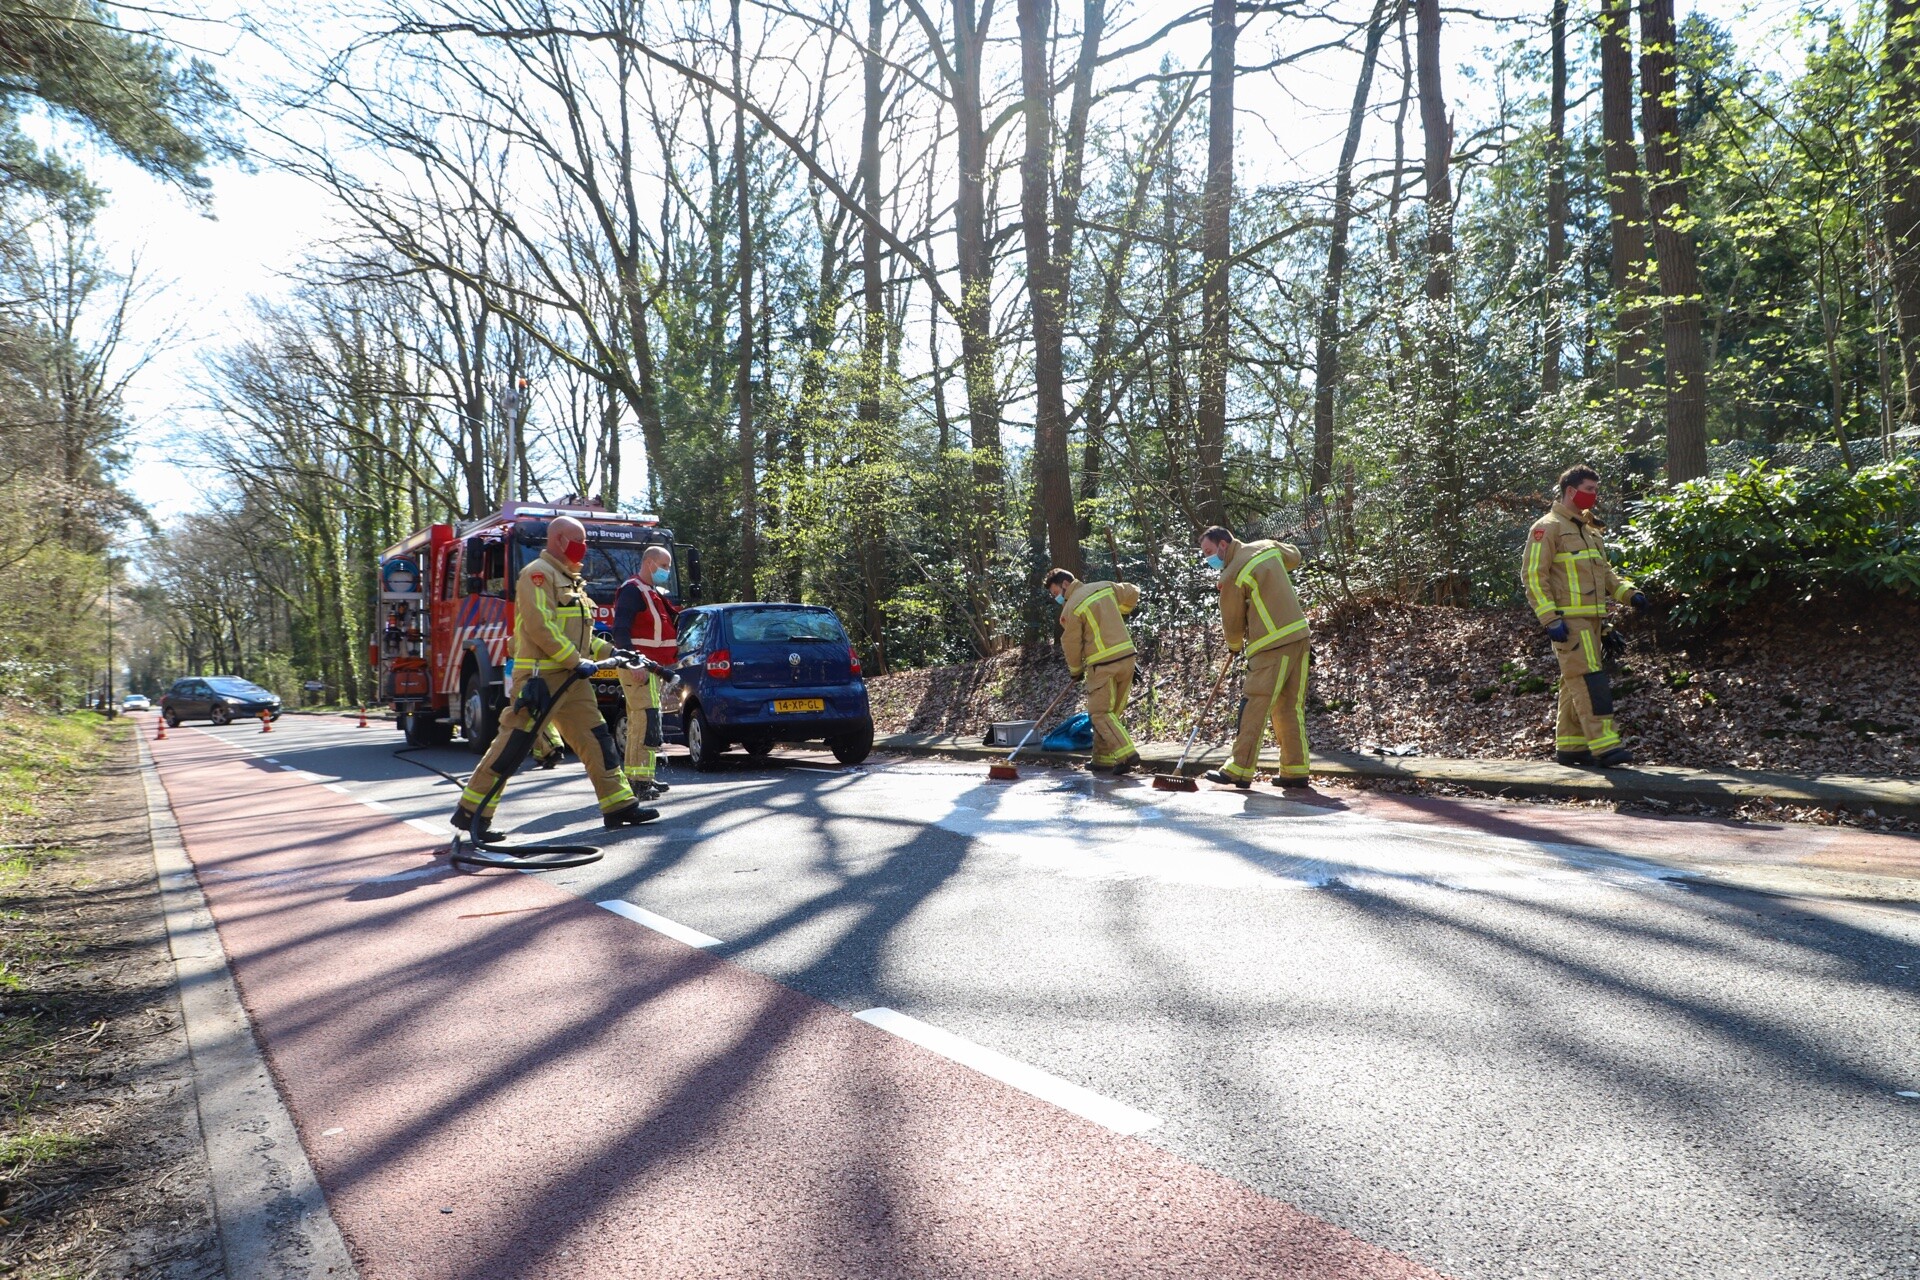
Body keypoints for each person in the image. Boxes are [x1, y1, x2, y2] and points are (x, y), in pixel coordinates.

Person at [450, 516, 657, 839]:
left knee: (596, 740)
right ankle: (472, 812)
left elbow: (584, 637)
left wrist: (615, 654)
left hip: (572, 682)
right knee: (512, 746)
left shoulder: (573, 581)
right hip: (539, 681)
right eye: (580, 540)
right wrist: (577, 661)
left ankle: (619, 805)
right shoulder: (536, 575)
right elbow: (540, 627)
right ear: (559, 540)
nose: (584, 548)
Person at [1523, 464, 1648, 768]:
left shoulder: (1590, 531)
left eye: (1596, 490)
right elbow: (1533, 576)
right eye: (1589, 489)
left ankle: (1571, 747)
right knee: (1589, 680)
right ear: (1570, 490)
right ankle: (1606, 745)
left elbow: (1605, 573)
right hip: (1568, 621)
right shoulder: (1547, 527)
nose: (1594, 496)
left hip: (1593, 620)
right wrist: (1550, 619)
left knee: (1573, 680)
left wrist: (1629, 594)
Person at [1198, 525, 1312, 790]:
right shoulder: (1265, 546)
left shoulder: (1232, 574)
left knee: (1254, 706)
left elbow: (1232, 622)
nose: (1208, 559)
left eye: (1209, 552)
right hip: (1300, 636)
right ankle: (1295, 771)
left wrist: (1234, 646)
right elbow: (1294, 556)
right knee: (1289, 707)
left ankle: (1239, 768)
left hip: (1270, 645)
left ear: (1223, 545)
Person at [1045, 568, 1142, 775]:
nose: (1057, 598)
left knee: (1099, 713)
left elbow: (1071, 643)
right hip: (1128, 657)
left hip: (1102, 663)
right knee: (1111, 712)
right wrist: (1123, 610)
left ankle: (1126, 753)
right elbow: (1133, 592)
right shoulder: (1105, 586)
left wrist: (1075, 670)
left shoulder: (1071, 608)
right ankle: (1102, 759)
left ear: (1064, 584)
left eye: (1055, 593)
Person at [611, 545, 679, 801]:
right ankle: (639, 783)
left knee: (646, 722)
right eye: (664, 566)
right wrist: (634, 664)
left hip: (652, 670)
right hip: (639, 668)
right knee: (644, 723)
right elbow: (621, 631)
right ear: (649, 563)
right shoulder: (632, 590)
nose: (666, 571)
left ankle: (642, 777)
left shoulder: (651, 592)